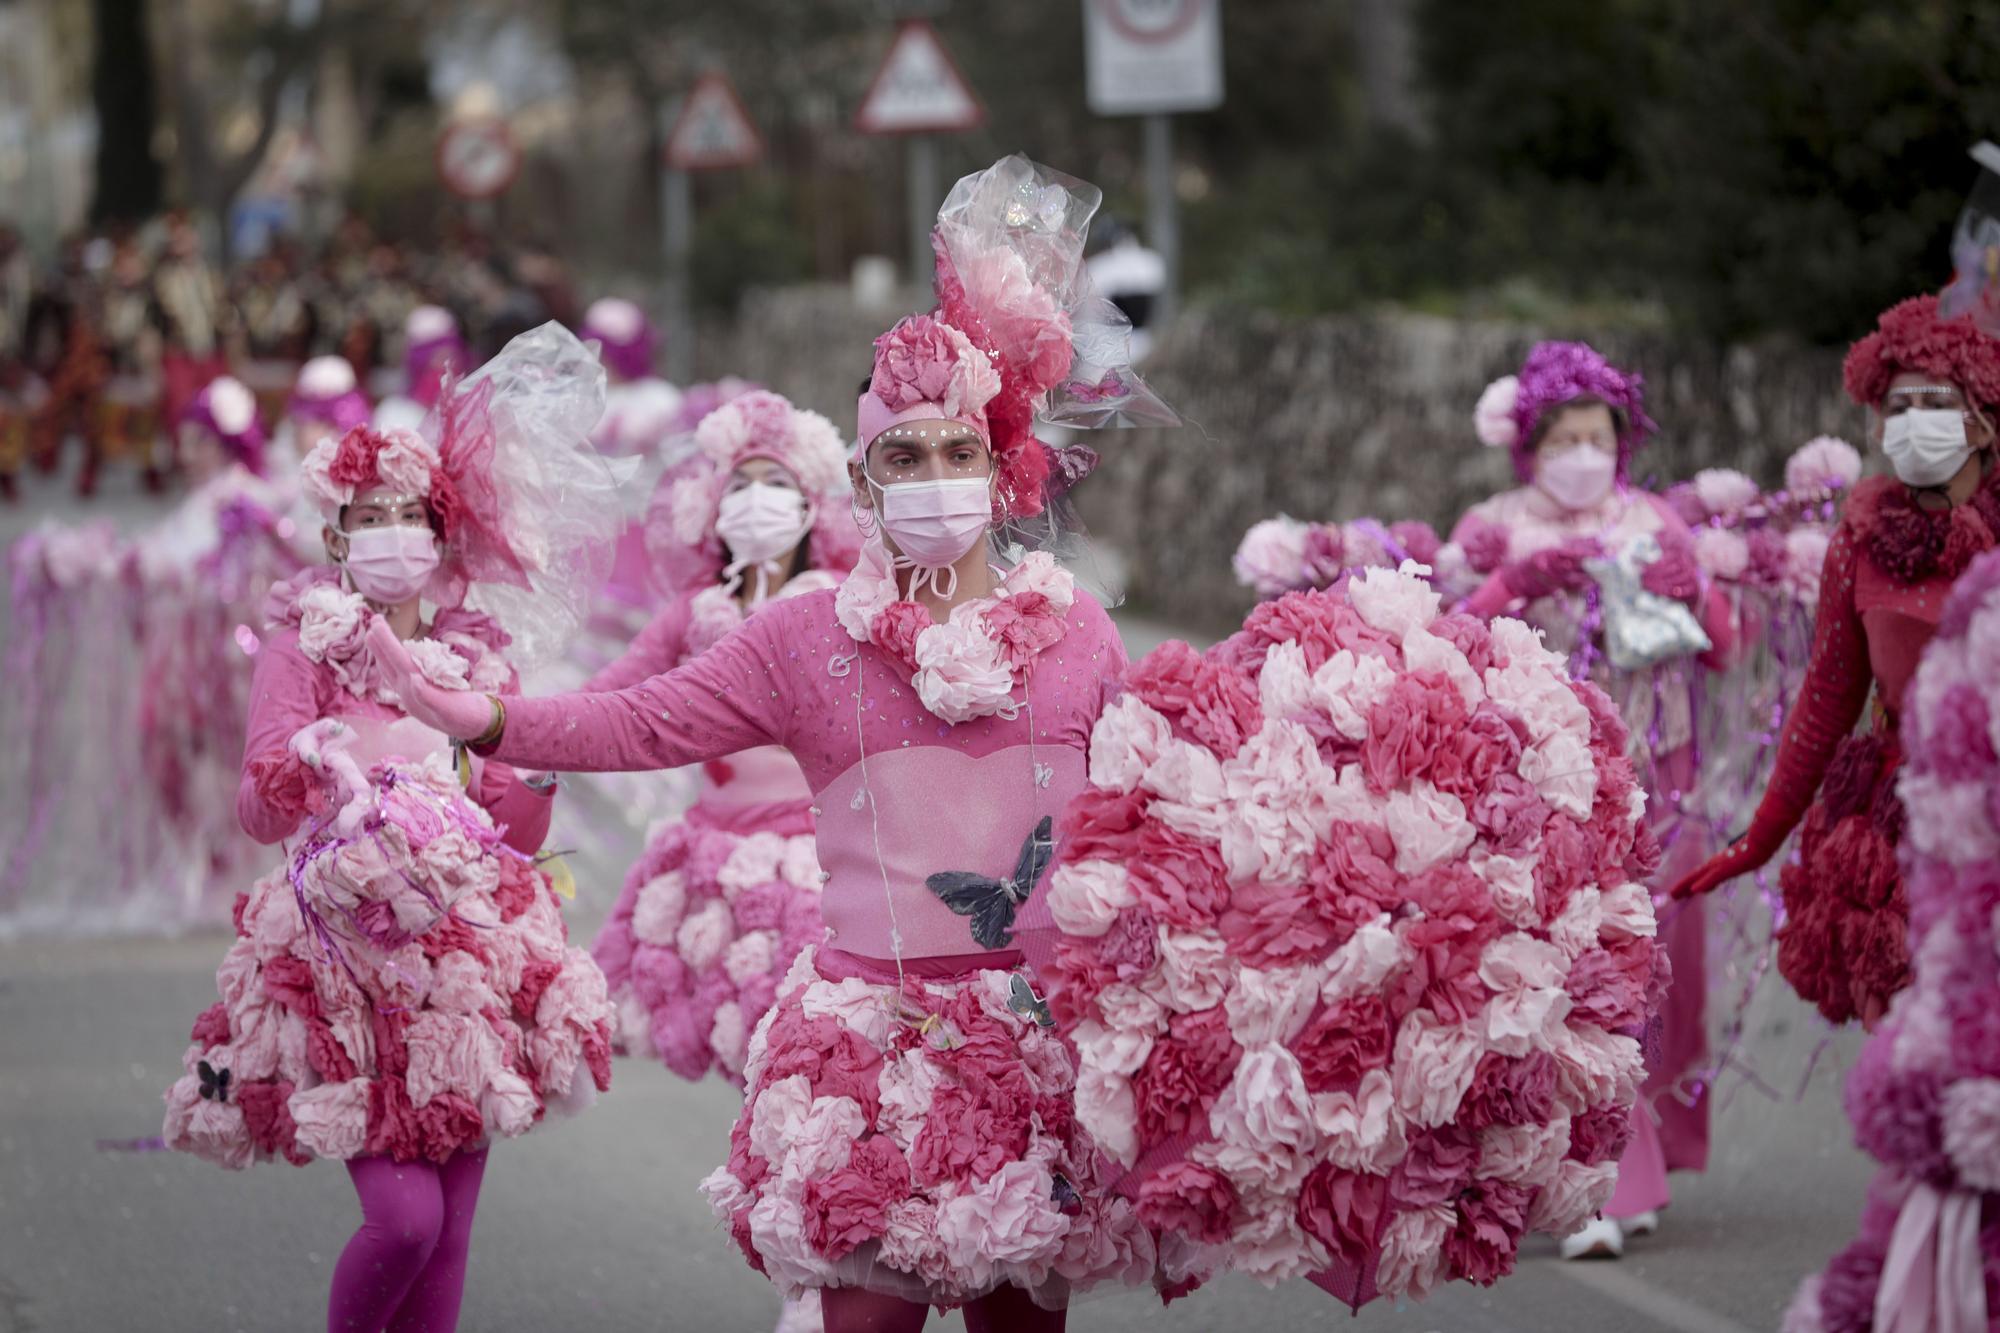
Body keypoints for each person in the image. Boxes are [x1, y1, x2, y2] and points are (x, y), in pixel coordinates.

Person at [369, 154, 1169, 1333]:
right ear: (861, 480)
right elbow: (642, 720)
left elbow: (1160, 784)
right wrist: (484, 718)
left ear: (1002, 474)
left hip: (1034, 1047)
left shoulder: (1077, 626)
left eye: (958, 455)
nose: (935, 480)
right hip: (868, 1042)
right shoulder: (804, 638)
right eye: (904, 458)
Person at [161, 324, 627, 1333]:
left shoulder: (475, 656)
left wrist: (533, 772)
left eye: (407, 516)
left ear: (439, 532)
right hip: (347, 956)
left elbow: (504, 815)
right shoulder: (302, 648)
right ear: (335, 539)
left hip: (463, 950)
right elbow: (254, 806)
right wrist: (312, 763)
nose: (388, 535)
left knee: (452, 1233)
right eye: (364, 518)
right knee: (404, 1222)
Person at [1450, 341, 1735, 1260]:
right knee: (1583, 983)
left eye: (1597, 436)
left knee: (1660, 982)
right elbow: (1453, 640)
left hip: (1663, 785)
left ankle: (1631, 1158)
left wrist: (1695, 588)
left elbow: (1722, 644)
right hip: (1549, 796)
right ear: (1529, 448)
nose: (1583, 453)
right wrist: (1518, 583)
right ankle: (1602, 1182)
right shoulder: (1495, 526)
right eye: (1564, 437)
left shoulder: (1655, 520)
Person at [1672, 294, 2000, 1026]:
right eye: (1899, 404)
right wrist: (1760, 838)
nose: (1914, 420)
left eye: (1935, 402)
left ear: (1981, 419)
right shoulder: (1861, 534)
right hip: (1896, 828)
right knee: (1916, 1057)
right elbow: (1826, 697)